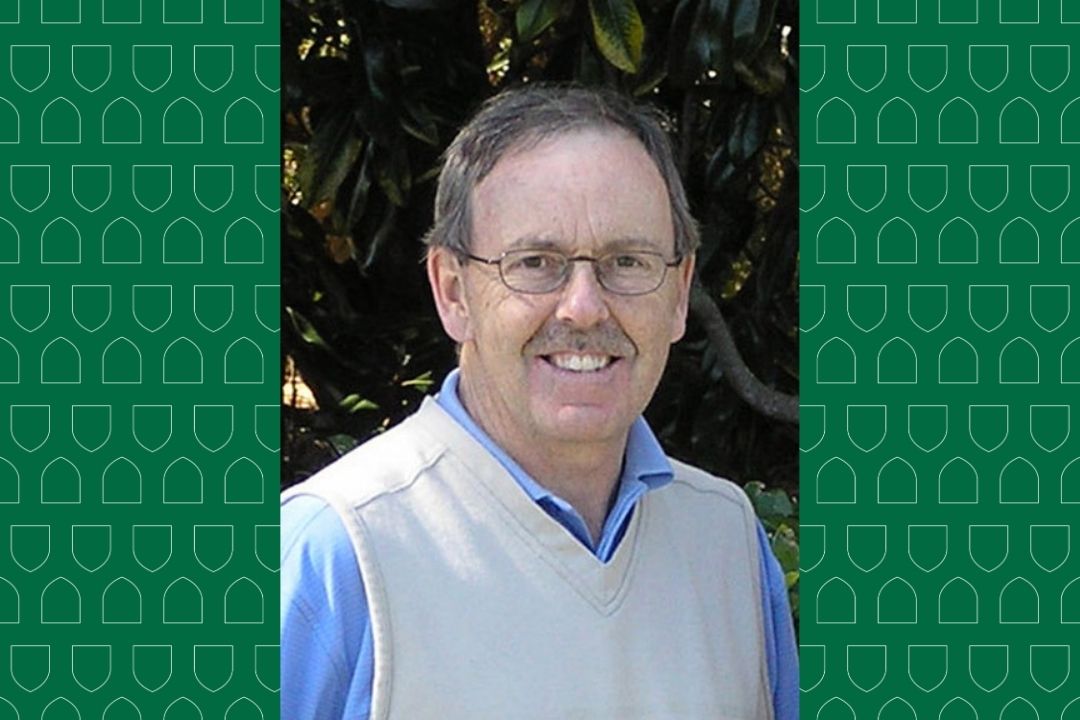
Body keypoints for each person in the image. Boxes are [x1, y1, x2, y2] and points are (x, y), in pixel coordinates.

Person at [282, 84, 798, 719]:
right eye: (535, 262)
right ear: (453, 292)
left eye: (628, 261)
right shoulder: (338, 556)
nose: (583, 307)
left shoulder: (728, 544)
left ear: (679, 288)